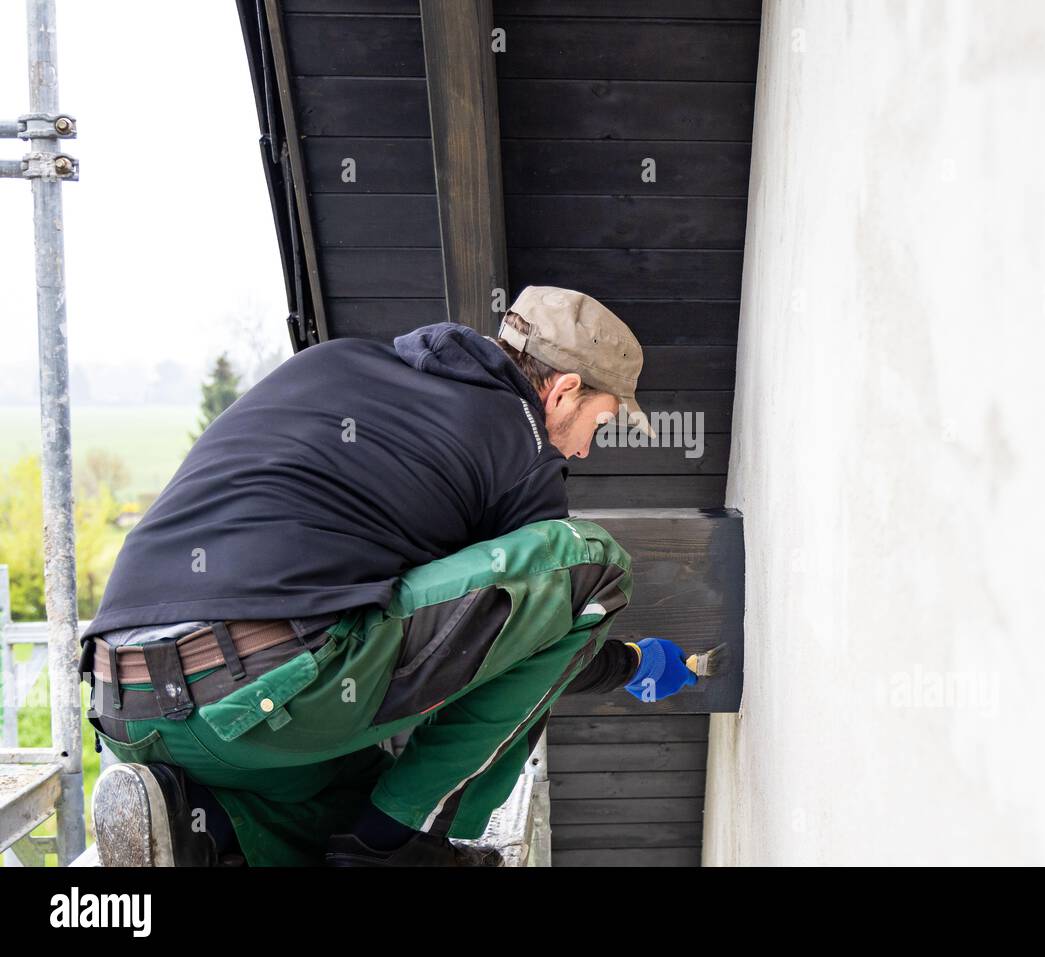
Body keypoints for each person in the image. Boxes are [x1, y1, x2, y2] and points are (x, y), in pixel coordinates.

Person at [81, 285, 699, 867]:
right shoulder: (521, 446)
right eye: (601, 421)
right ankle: (404, 844)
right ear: (563, 391)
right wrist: (630, 663)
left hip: (127, 707)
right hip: (262, 691)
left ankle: (203, 827)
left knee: (348, 793)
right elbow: (530, 644)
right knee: (588, 566)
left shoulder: (337, 365)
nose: (586, 451)